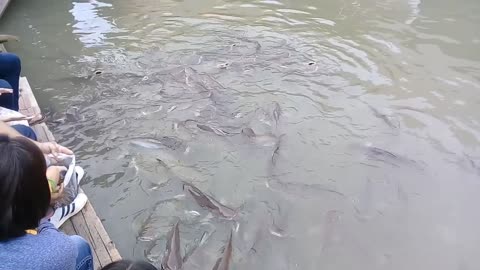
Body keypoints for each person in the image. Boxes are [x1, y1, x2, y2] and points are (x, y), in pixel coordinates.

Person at [0, 135, 93, 270]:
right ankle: (53, 214)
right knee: (80, 246)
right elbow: (57, 245)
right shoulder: (60, 249)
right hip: (46, 248)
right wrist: (48, 187)